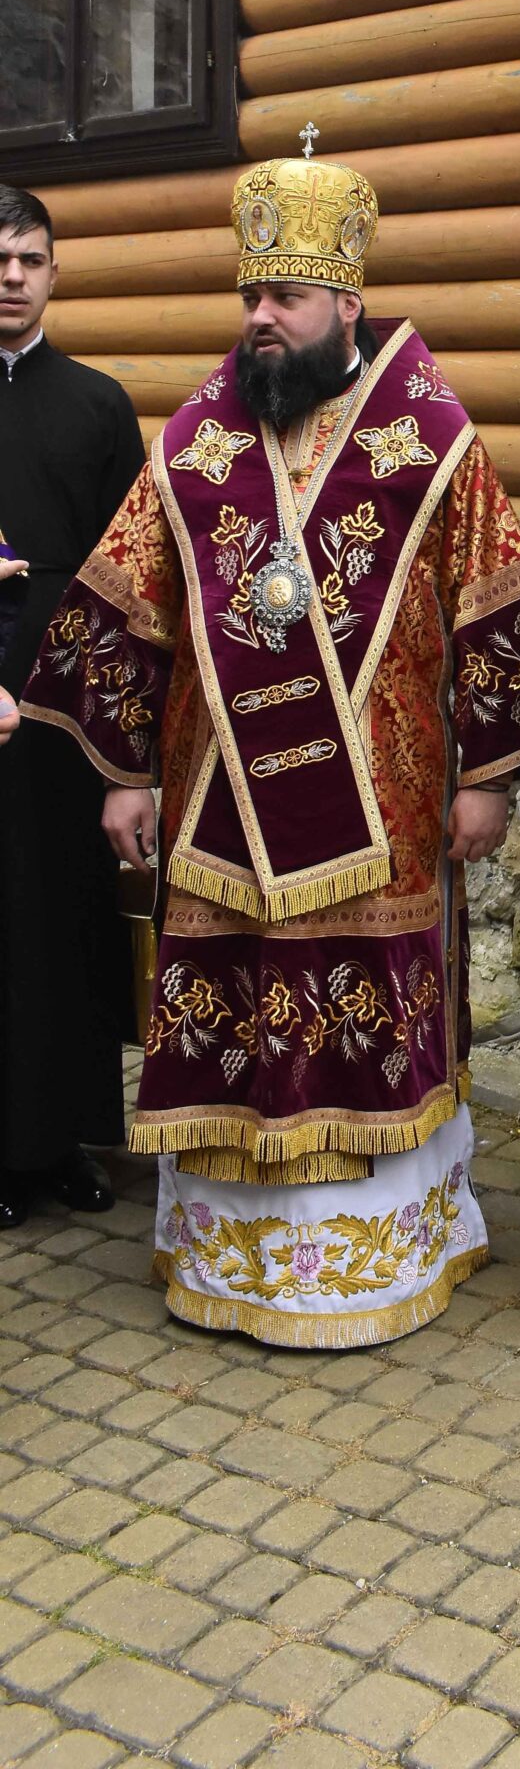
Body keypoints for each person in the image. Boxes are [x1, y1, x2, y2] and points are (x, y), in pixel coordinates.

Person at [20, 142, 520, 1344]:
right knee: (233, 996)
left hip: (388, 805)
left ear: (346, 304)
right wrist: (122, 773)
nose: (259, 316)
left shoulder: (431, 436)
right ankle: (233, 1255)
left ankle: (373, 1259)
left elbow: (500, 607)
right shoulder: (198, 439)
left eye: (287, 297)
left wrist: (491, 778)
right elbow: (131, 604)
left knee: (362, 1000)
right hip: (215, 800)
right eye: (251, 295)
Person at [0, 185, 144, 1231]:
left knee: (64, 919)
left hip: (67, 716)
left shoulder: (98, 404)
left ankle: (65, 1142)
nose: (10, 276)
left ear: (55, 272)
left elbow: (131, 577)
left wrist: (122, 736)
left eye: (29, 259)